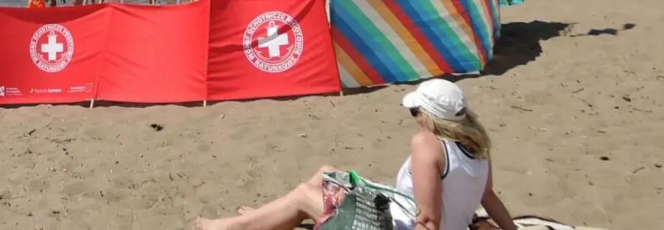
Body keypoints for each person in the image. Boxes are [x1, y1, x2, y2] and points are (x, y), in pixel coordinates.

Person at [191, 79, 518, 230]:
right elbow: (487, 196)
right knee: (326, 173)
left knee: (306, 196)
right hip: (403, 209)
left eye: (416, 111)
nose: (414, 118)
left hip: (397, 224)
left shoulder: (428, 144)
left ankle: (237, 227)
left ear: (430, 116)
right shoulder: (477, 144)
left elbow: (428, 222)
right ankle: (261, 219)